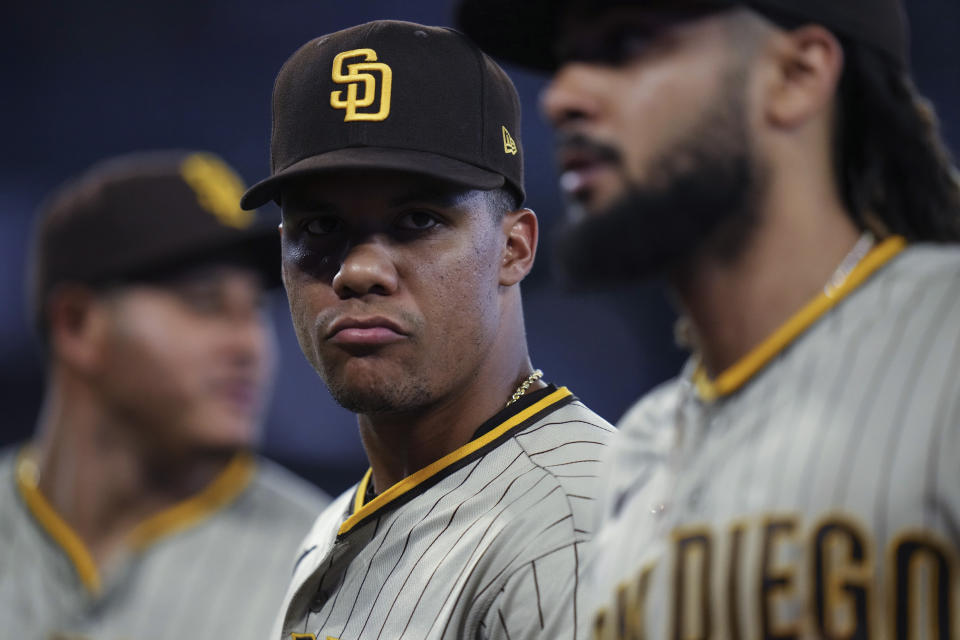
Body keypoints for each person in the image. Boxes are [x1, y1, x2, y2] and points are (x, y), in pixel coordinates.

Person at [459, 0, 960, 636]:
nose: (561, 97)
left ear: (795, 77)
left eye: (626, 44)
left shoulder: (945, 340)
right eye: (567, 60)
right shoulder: (638, 448)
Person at [239, 20, 615, 640]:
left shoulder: (575, 527)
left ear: (514, 247)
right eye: (319, 228)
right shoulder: (333, 525)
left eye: (418, 219)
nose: (358, 271)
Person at [0, 150, 330, 640]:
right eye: (205, 304)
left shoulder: (329, 570)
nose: (250, 346)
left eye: (256, 309)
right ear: (77, 324)